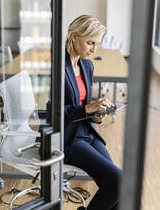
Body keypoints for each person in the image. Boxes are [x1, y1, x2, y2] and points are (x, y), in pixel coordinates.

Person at [64, 15, 121, 210]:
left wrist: (95, 114)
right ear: (74, 37)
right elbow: (48, 113)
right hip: (68, 138)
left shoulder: (86, 64)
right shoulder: (56, 67)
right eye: (90, 43)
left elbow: (84, 105)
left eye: (97, 44)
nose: (94, 49)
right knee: (120, 183)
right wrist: (89, 108)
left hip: (87, 132)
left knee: (118, 184)